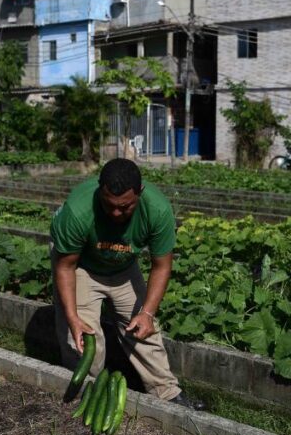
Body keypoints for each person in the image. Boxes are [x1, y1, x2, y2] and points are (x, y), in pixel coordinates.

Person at [50, 159, 205, 410]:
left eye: (125, 207)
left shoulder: (157, 210)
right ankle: (87, 391)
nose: (115, 213)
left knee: (144, 329)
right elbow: (65, 266)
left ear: (140, 193)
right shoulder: (78, 211)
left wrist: (147, 313)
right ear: (101, 191)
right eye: (109, 206)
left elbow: (162, 266)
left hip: (123, 266)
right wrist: (73, 317)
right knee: (82, 339)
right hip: (82, 267)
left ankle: (166, 393)